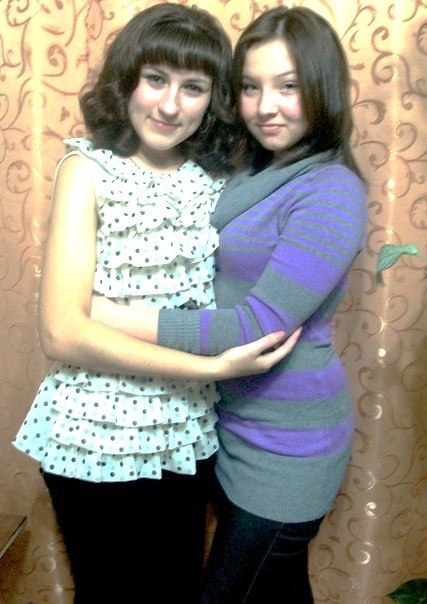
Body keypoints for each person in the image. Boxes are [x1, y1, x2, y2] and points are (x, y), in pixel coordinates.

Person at [12, 5, 301, 603]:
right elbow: (62, 333)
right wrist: (211, 367)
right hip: (94, 433)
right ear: (128, 80)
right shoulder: (87, 170)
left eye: (193, 87)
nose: (170, 105)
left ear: (213, 99)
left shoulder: (215, 180)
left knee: (178, 591)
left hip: (186, 430)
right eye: (156, 79)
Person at [90, 6, 368, 603]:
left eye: (289, 86)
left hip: (288, 447)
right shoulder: (254, 172)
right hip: (231, 424)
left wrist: (105, 315)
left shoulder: (331, 191)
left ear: (323, 88)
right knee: (278, 589)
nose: (266, 106)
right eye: (250, 87)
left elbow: (253, 327)